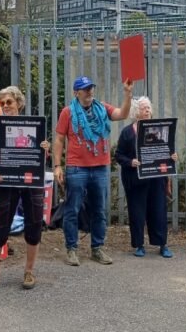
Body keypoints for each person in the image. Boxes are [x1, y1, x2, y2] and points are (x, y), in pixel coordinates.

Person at [52, 76, 133, 266]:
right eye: (85, 89)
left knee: (99, 211)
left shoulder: (102, 108)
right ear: (76, 92)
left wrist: (127, 94)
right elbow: (59, 139)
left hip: (99, 168)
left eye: (91, 88)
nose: (89, 92)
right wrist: (57, 166)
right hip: (76, 168)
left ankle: (97, 248)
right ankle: (72, 249)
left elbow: (122, 114)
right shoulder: (68, 112)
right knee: (72, 209)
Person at [0, 85, 50, 291]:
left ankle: (29, 271)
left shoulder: (34, 126)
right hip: (6, 182)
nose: (5, 106)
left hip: (30, 182)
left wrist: (44, 149)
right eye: (1, 103)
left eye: (9, 102)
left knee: (34, 223)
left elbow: (39, 158)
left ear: (19, 103)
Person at [115, 96, 177, 258]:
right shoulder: (127, 132)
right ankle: (139, 245)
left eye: (149, 107)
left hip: (156, 178)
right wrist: (131, 162)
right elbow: (119, 155)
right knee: (137, 212)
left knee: (159, 211)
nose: (148, 110)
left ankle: (162, 244)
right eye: (144, 108)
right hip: (135, 179)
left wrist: (172, 157)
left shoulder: (159, 128)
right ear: (136, 112)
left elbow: (166, 150)